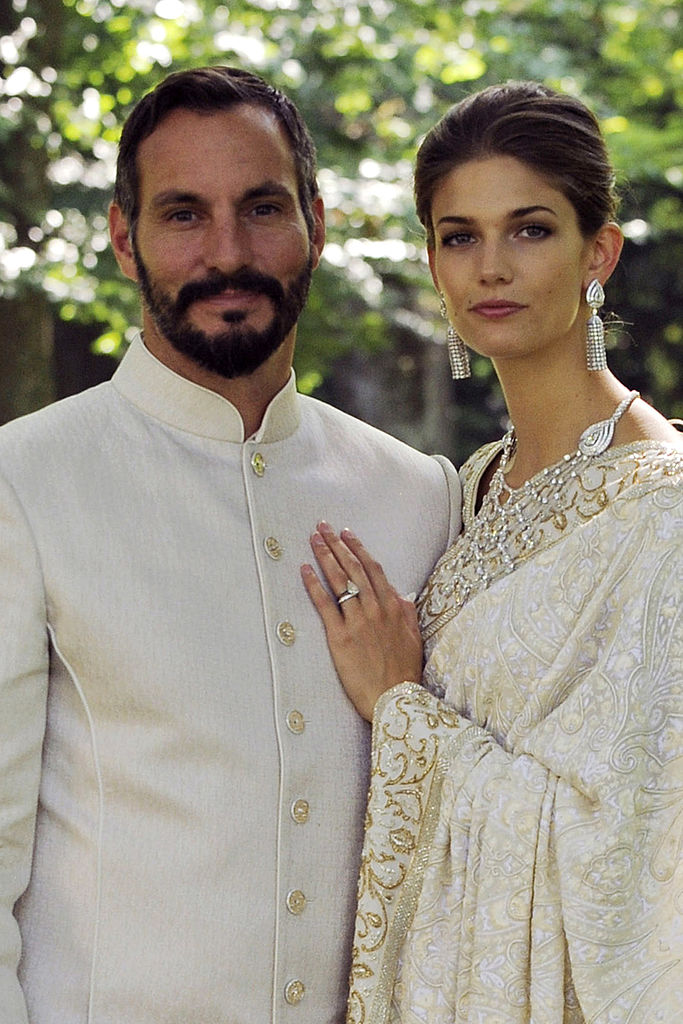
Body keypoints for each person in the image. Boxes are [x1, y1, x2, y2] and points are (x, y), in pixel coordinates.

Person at [0, 66, 462, 1024]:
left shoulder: (419, 494)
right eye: (182, 214)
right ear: (125, 239)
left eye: (261, 208)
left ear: (316, 226)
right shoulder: (25, 482)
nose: (226, 252)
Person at [302, 81, 683, 1022]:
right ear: (431, 261)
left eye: (530, 229)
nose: (490, 268)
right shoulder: (470, 485)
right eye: (458, 235)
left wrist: (400, 704)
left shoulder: (662, 511)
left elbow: (629, 863)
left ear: (598, 252)